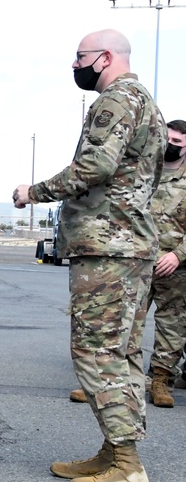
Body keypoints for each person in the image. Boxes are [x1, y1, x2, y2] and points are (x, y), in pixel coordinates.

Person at [13, 29, 166, 482]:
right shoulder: (148, 104)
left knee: (96, 352)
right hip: (130, 246)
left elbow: (95, 167)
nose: (75, 66)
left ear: (103, 58)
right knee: (121, 353)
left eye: (79, 57)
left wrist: (32, 192)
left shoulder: (116, 101)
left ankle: (127, 465)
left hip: (109, 248)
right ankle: (111, 450)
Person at [69, 119, 186, 408]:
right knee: (122, 322)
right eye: (168, 139)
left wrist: (177, 255)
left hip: (175, 265)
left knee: (172, 326)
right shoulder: (144, 170)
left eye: (178, 142)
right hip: (137, 259)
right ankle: (104, 384)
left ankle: (160, 380)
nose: (171, 145)